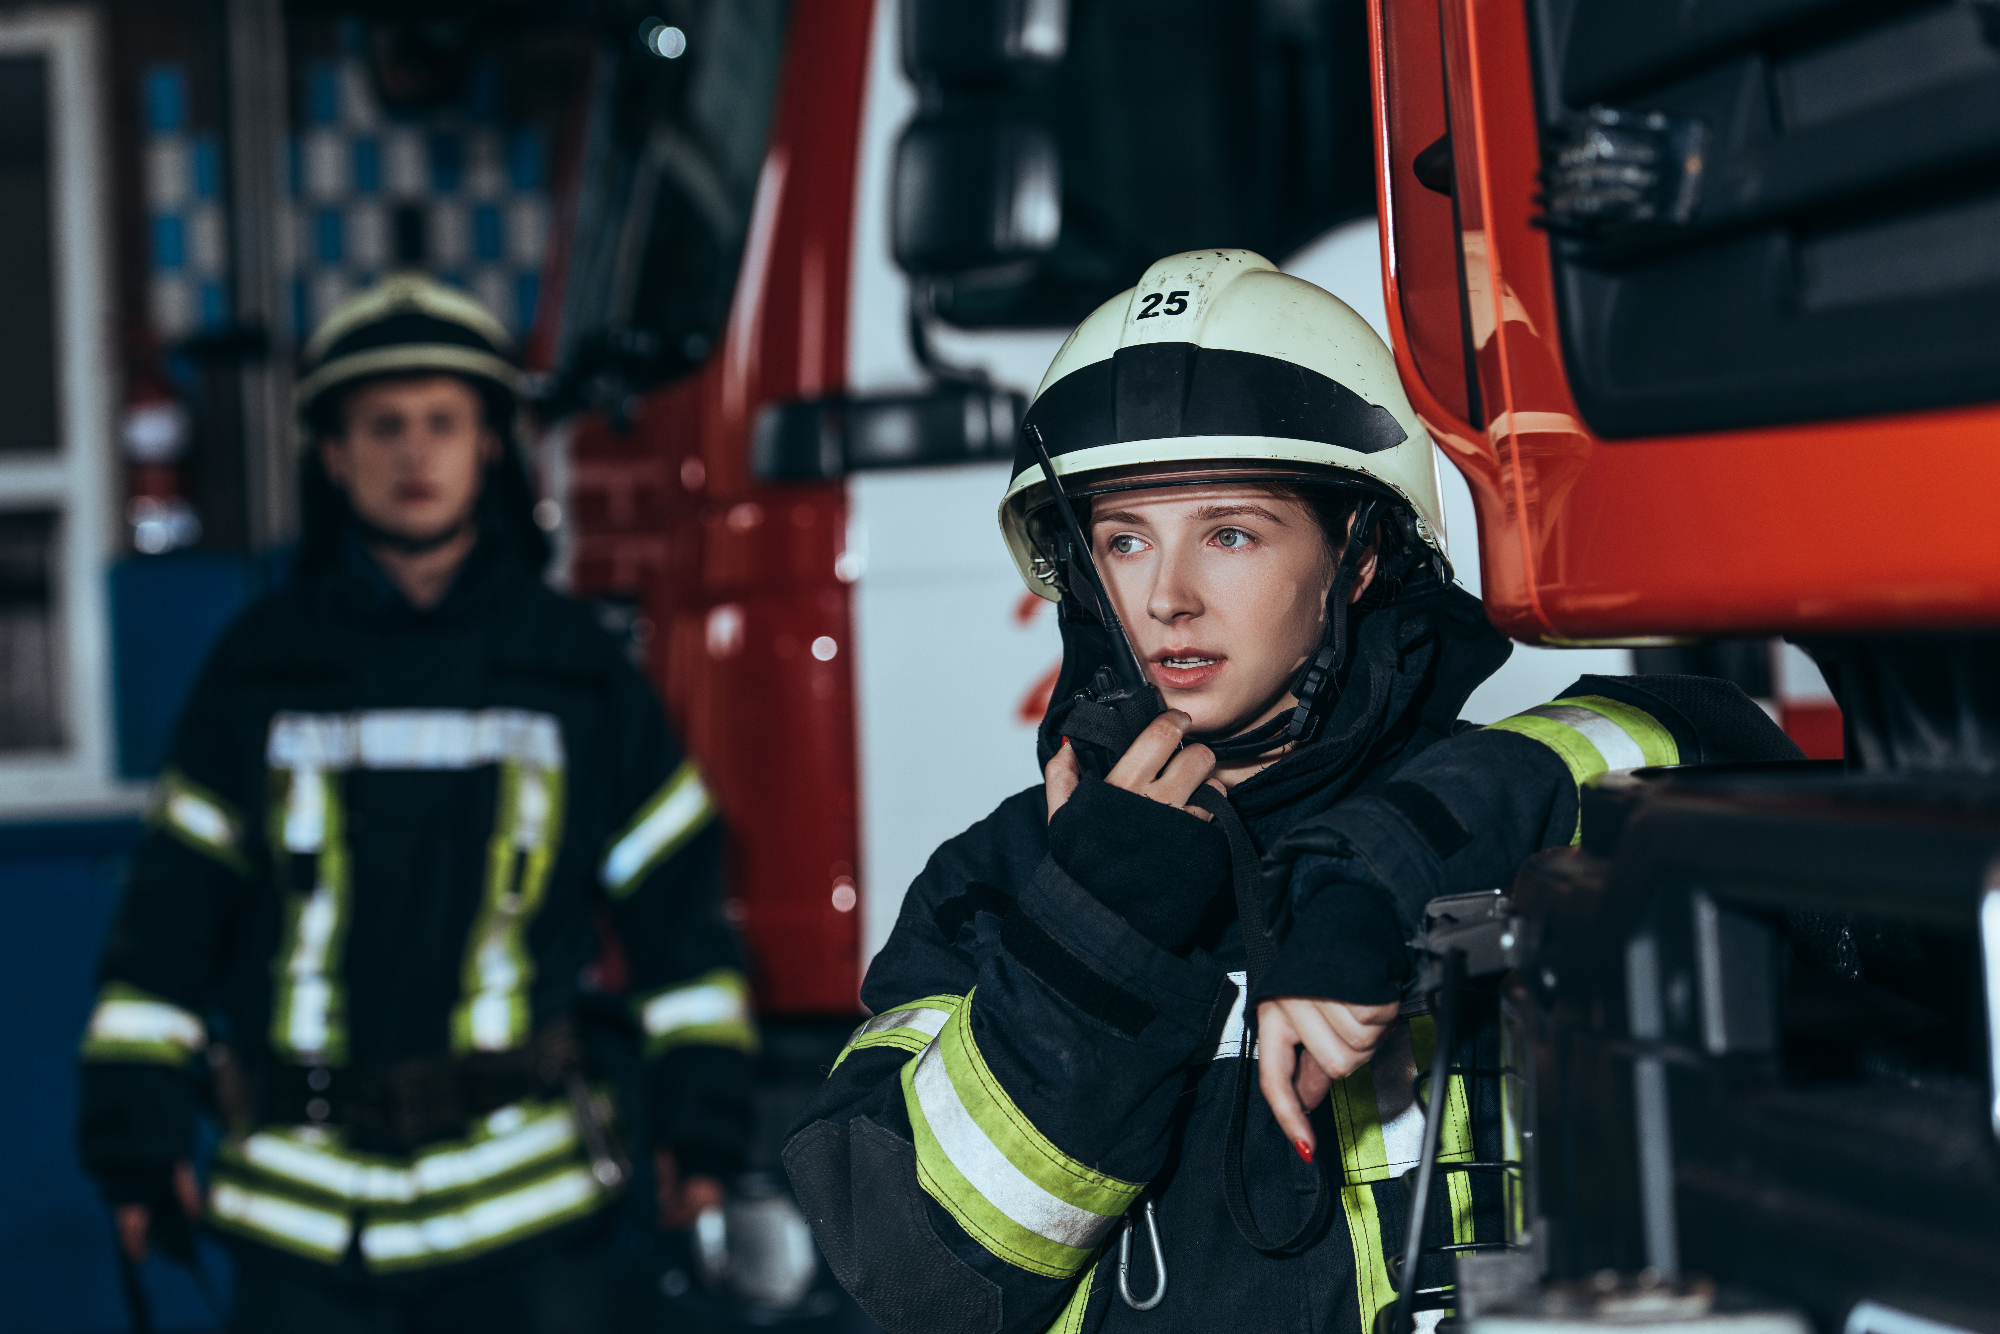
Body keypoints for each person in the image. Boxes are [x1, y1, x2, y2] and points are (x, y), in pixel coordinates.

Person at [782, 250, 1799, 1334]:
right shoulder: (996, 883)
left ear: (1356, 555)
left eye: (1228, 532)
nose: (1166, 598)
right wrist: (1100, 926)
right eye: (1125, 539)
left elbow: (1723, 755)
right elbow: (914, 1274)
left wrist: (1381, 870)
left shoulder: (1481, 804)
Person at [76, 275, 756, 1331]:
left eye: (443, 421)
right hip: (298, 1215)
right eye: (383, 425)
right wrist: (136, 1139)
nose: (414, 452)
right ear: (333, 456)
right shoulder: (259, 669)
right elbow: (163, 930)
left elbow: (681, 924)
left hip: (528, 1210)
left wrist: (702, 1131)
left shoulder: (575, 670)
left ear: (489, 444)